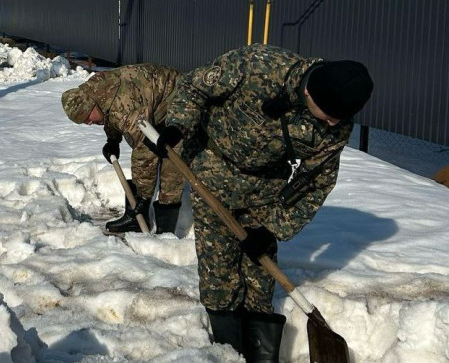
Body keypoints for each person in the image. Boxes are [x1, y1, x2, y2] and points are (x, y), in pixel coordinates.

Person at [159, 43, 373, 362]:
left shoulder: (337, 125)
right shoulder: (258, 66)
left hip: (267, 186)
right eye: (328, 116)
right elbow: (194, 87)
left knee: (259, 275)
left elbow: (315, 181)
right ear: (310, 93)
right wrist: (178, 125)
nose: (332, 125)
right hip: (213, 170)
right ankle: (229, 350)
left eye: (338, 119)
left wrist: (272, 228)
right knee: (219, 270)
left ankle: (261, 354)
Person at [60, 64, 185, 235]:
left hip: (179, 103)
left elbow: (144, 151)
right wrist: (113, 140)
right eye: (83, 121)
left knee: (171, 166)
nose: (88, 123)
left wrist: (142, 196)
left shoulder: (126, 109)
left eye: (87, 118)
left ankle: (166, 235)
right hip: (151, 103)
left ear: (91, 106)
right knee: (149, 157)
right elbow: (109, 113)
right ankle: (137, 220)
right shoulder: (95, 91)